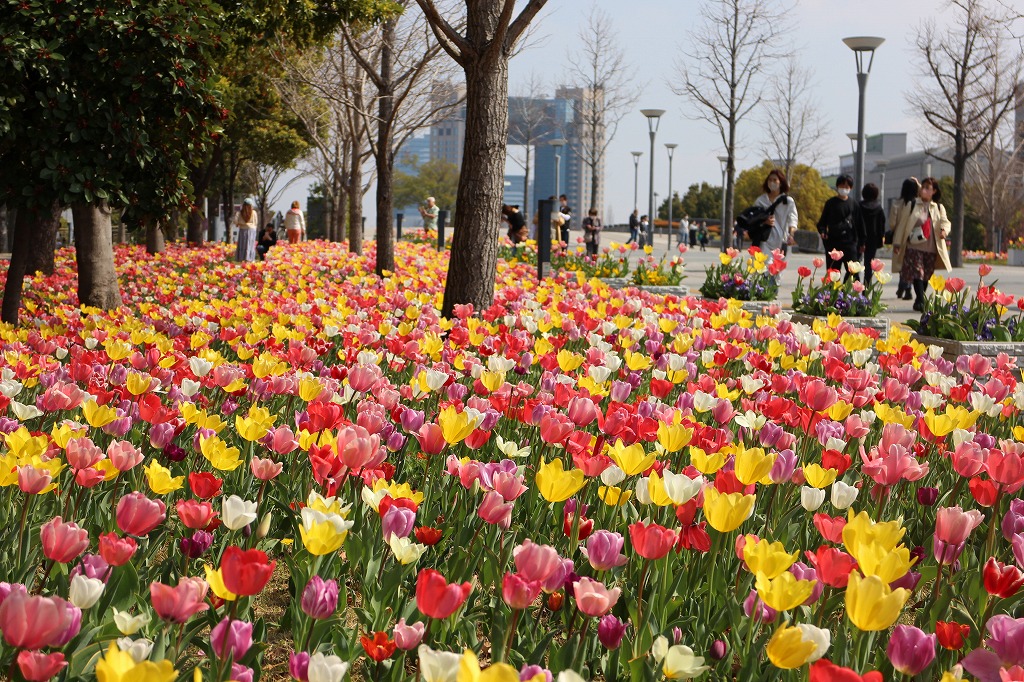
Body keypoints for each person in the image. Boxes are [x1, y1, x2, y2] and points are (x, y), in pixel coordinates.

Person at [891, 176, 951, 312]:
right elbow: (902, 225)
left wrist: (944, 231)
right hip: (914, 246)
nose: (924, 190)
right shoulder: (912, 205)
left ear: (934, 191)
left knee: (926, 275)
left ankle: (919, 299)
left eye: (927, 188)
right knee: (918, 273)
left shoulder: (938, 207)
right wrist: (897, 244)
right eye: (922, 187)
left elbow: (945, 222)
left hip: (931, 248)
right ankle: (922, 300)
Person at [816, 174, 864, 279]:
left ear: (851, 188)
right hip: (833, 243)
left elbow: (860, 225)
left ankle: (848, 289)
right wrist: (823, 231)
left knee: (853, 273)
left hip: (850, 244)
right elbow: (822, 223)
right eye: (842, 186)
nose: (844, 189)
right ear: (837, 186)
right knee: (832, 273)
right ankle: (832, 290)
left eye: (847, 186)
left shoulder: (854, 205)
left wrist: (862, 243)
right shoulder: (830, 203)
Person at [752, 169, 798, 257]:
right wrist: (764, 221)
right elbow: (754, 218)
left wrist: (791, 235)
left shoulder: (787, 201)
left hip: (781, 241)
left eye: (775, 180)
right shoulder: (761, 200)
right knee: (765, 264)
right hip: (764, 240)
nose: (772, 182)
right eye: (770, 180)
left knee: (778, 265)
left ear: (780, 183)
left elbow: (793, 219)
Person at [889, 177, 921, 301]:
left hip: (900, 237)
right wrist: (918, 183)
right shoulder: (918, 203)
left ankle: (903, 287)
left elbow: (892, 224)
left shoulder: (897, 204)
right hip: (915, 238)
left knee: (901, 264)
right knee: (911, 264)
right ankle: (906, 287)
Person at [859, 183, 886, 287]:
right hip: (873, 239)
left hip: (860, 238)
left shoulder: (859, 206)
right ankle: (866, 288)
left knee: (856, 263)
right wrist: (882, 237)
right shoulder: (878, 208)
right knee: (869, 266)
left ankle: (855, 287)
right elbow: (881, 224)